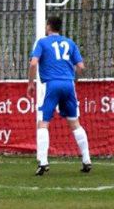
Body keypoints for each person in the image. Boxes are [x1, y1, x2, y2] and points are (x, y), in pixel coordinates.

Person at [27, 16, 91, 176]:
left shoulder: (42, 42)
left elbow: (33, 63)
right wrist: (70, 77)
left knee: (43, 123)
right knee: (74, 123)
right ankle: (87, 159)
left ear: (48, 26)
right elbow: (81, 67)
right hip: (69, 85)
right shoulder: (70, 43)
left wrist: (30, 83)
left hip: (51, 85)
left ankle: (43, 162)